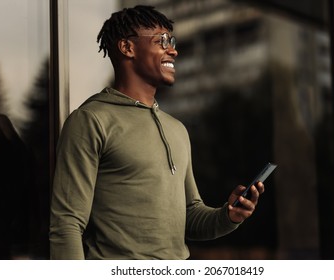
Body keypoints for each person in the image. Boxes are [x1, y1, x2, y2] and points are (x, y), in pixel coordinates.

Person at [49, 5, 264, 260]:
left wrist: (228, 215)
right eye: (161, 41)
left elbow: (190, 216)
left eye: (171, 41)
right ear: (127, 48)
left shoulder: (177, 130)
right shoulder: (91, 120)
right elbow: (67, 224)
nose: (172, 49)